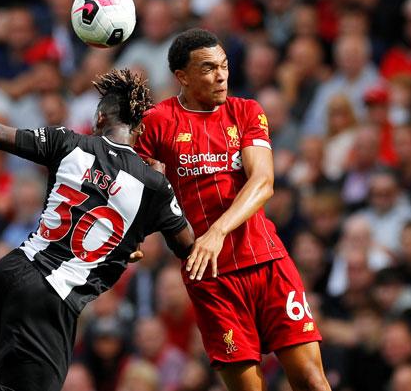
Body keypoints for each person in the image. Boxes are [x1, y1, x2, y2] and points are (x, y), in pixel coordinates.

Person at [0, 67, 194, 391]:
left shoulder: (67, 142)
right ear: (140, 130)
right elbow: (188, 248)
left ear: (99, 118)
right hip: (50, 299)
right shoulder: (153, 185)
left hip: (8, 271)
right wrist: (165, 185)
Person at [134, 28, 330, 391]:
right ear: (182, 76)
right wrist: (131, 233)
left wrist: (217, 232)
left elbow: (263, 181)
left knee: (312, 381)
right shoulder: (158, 122)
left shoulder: (246, 112)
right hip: (211, 279)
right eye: (208, 68)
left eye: (224, 65)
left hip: (268, 263)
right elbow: (141, 188)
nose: (221, 75)